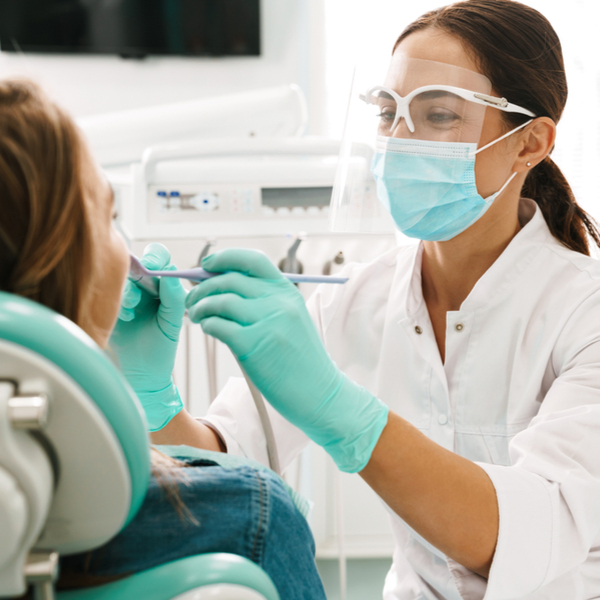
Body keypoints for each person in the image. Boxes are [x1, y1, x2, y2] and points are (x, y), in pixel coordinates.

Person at [143, 1, 600, 599]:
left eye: (437, 115)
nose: (401, 141)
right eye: (389, 112)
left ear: (529, 143)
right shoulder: (355, 300)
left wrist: (345, 416)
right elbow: (223, 459)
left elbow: (525, 532)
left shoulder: (582, 313)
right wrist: (150, 397)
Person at [0, 79, 326, 600]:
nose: (123, 250)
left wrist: (154, 402)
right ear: (66, 262)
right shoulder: (251, 516)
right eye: (109, 216)